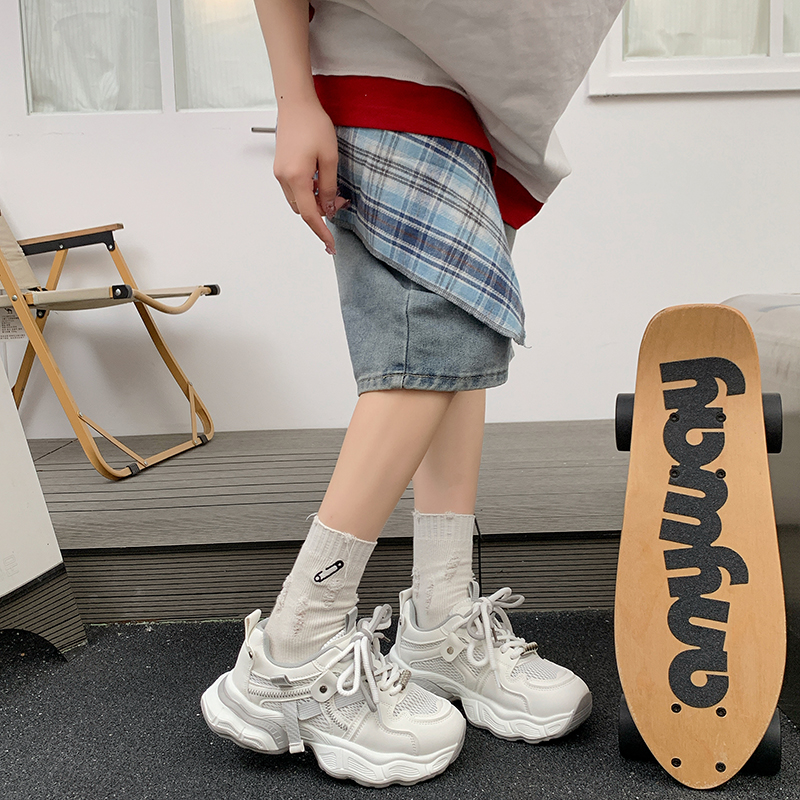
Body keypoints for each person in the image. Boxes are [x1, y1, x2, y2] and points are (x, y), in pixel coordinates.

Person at [201, 0, 624, 787]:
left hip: (459, 102)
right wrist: (295, 99)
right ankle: (293, 653)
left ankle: (440, 618)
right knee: (427, 339)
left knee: (463, 339)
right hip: (381, 79)